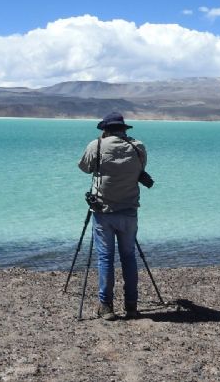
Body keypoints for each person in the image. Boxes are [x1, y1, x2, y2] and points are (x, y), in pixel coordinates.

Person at [78, 112, 147, 320]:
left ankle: (106, 307)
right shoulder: (138, 147)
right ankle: (131, 306)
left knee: (105, 258)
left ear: (105, 130)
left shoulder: (96, 146)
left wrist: (100, 148)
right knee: (129, 257)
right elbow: (141, 169)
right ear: (124, 129)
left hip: (103, 211)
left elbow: (84, 167)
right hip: (129, 211)